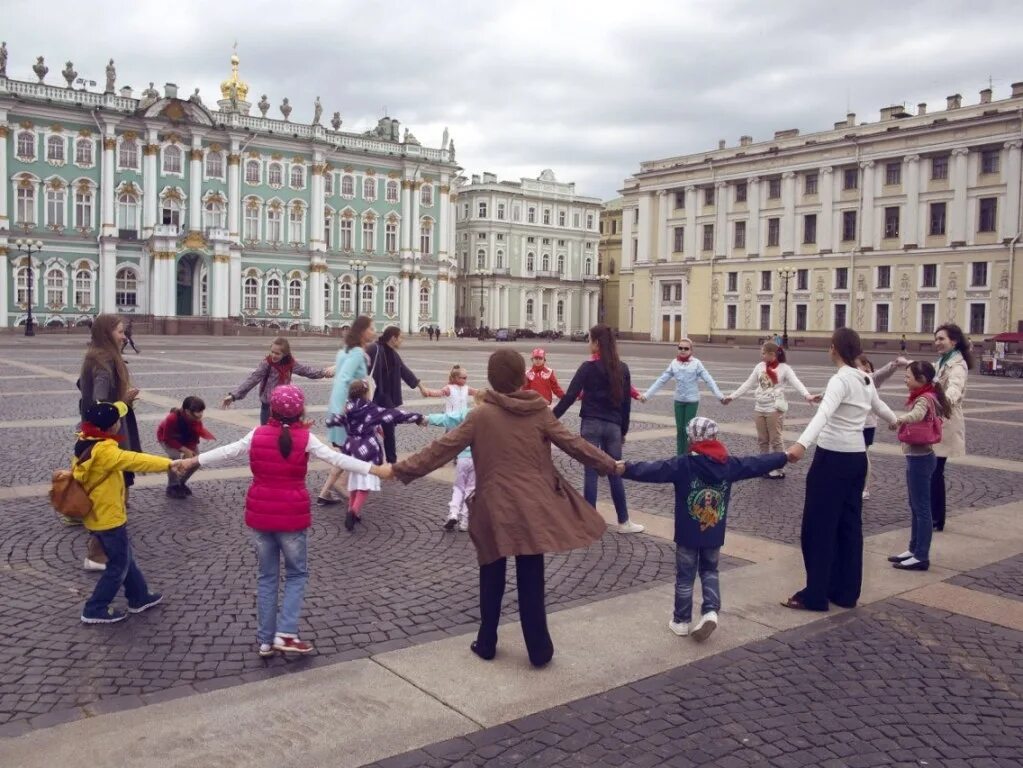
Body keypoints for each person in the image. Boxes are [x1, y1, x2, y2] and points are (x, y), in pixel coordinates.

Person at [387, 349, 618, 667]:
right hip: (532, 507)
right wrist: (611, 464)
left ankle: (487, 642)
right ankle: (539, 649)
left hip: (494, 507)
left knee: (491, 577)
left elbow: (442, 448)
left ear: (493, 380)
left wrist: (399, 469)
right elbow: (574, 444)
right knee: (531, 580)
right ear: (522, 377)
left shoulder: (481, 416)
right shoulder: (539, 412)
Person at [186, 386, 384, 656]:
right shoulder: (306, 437)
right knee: (296, 574)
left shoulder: (257, 434)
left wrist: (193, 460)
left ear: (272, 409)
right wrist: (374, 468)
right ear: (300, 410)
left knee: (267, 577)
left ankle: (266, 640)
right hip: (292, 516)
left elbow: (228, 451)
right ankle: (287, 634)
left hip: (260, 515)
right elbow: (337, 458)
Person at [618, 417, 790, 640]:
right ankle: (710, 610)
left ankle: (680, 621)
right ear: (715, 438)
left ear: (691, 439)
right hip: (714, 533)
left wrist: (626, 468)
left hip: (687, 534)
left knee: (685, 577)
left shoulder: (683, 464)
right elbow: (756, 463)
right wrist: (783, 457)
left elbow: (653, 470)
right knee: (709, 571)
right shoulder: (729, 465)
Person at [783, 328, 897, 612]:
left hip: (831, 459)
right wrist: (894, 420)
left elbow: (823, 415)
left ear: (833, 348)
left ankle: (816, 594)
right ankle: (846, 592)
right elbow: (879, 405)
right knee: (849, 526)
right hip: (856, 459)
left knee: (818, 527)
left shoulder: (841, 379)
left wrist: (800, 445)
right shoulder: (865, 378)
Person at [75, 401, 185, 624]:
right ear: (112, 426)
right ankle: (94, 608)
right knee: (118, 566)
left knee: (125, 557)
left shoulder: (86, 440)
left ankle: (139, 596)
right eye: (118, 420)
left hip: (98, 513)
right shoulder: (105, 451)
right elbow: (135, 460)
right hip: (108, 516)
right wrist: (169, 463)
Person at [553, 324, 643, 534]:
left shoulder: (587, 368)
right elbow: (626, 405)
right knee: (615, 472)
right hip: (613, 425)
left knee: (591, 474)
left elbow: (569, 397)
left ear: (596, 343)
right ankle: (624, 522)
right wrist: (623, 431)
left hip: (591, 424)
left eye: (589, 340)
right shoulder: (623, 368)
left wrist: (550, 418)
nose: (588, 344)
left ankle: (588, 523)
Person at [77, 314, 142, 571]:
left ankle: (110, 549)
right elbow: (99, 403)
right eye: (119, 331)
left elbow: (82, 385)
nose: (124, 336)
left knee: (116, 486)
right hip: (110, 432)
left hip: (108, 429)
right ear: (107, 333)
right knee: (114, 487)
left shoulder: (96, 356)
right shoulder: (104, 361)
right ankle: (98, 553)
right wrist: (123, 399)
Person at [899, 324, 972, 532]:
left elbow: (954, 390)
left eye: (942, 339)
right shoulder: (943, 360)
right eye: (936, 338)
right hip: (938, 421)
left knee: (935, 471)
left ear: (954, 341)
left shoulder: (958, 365)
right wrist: (909, 363)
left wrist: (937, 402)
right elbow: (931, 374)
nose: (937, 342)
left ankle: (936, 518)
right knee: (933, 471)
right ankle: (933, 516)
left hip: (944, 422)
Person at [327, 381, 424, 531]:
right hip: (366, 450)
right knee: (365, 485)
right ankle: (353, 512)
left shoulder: (348, 407)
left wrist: (330, 421)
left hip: (351, 449)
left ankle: (351, 510)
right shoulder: (370, 409)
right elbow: (394, 415)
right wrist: (417, 417)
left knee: (354, 481)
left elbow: (336, 419)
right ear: (365, 393)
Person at [888, 361, 952, 572]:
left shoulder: (924, 398)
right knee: (915, 506)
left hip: (920, 459)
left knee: (922, 508)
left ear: (922, 380)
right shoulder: (928, 395)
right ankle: (913, 549)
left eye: (908, 376)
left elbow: (917, 415)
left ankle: (921, 555)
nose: (905, 379)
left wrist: (899, 420)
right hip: (919, 457)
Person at [722, 341, 816, 478]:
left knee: (776, 440)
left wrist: (807, 395)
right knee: (762, 440)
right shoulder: (759, 366)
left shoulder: (784, 368)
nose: (761, 355)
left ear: (772, 354)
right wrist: (732, 397)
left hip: (774, 408)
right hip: (759, 407)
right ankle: (763, 466)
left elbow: (796, 382)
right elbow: (748, 383)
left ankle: (779, 469)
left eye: (763, 353)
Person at [318, 317, 376, 505]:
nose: (374, 331)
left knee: (345, 451)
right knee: (351, 452)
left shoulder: (345, 350)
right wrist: (345, 409)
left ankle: (325, 493)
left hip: (339, 405)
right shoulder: (357, 352)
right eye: (371, 328)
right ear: (362, 331)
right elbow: (344, 379)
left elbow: (341, 373)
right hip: (348, 408)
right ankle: (341, 485)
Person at [640, 338, 724, 455]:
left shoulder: (696, 364)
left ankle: (688, 456)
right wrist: (646, 395)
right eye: (680, 348)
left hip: (692, 401)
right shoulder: (674, 363)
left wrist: (720, 396)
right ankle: (680, 457)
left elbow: (709, 380)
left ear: (691, 350)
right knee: (680, 431)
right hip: (678, 401)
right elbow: (661, 380)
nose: (683, 350)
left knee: (689, 431)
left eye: (686, 348)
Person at [223, 337, 333, 425]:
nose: (273, 355)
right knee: (266, 435)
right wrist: (234, 396)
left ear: (285, 354)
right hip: (268, 405)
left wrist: (323, 372)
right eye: (272, 352)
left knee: (282, 435)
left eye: (277, 353)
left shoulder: (290, 364)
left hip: (283, 406)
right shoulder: (267, 363)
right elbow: (252, 379)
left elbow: (307, 371)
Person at [420, 392, 483, 531]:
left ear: (475, 401)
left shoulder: (467, 413)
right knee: (471, 489)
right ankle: (465, 522)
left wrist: (427, 419)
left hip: (462, 458)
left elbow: (447, 418)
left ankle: (453, 513)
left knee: (458, 487)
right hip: (477, 459)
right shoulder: (490, 417)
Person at [367, 326, 427, 464]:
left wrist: (420, 387)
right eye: (401, 338)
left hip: (387, 399)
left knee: (389, 431)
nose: (402, 341)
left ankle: (392, 462)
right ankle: (369, 461)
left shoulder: (393, 354)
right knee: (369, 430)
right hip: (373, 398)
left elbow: (405, 372)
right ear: (393, 338)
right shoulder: (374, 349)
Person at [856, 355, 899, 499]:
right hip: (853, 425)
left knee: (862, 456)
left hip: (867, 425)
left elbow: (882, 374)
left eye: (859, 366)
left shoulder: (869, 378)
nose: (856, 369)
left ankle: (864, 488)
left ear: (867, 367)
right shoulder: (849, 378)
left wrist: (894, 364)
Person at [156, 396, 215, 498]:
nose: (201, 415)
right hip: (168, 438)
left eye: (202, 411)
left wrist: (190, 453)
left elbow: (195, 439)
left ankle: (181, 482)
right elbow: (167, 438)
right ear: (187, 411)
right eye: (198, 412)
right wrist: (184, 450)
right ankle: (172, 486)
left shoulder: (197, 419)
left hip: (185, 439)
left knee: (197, 460)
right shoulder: (172, 418)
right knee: (175, 457)